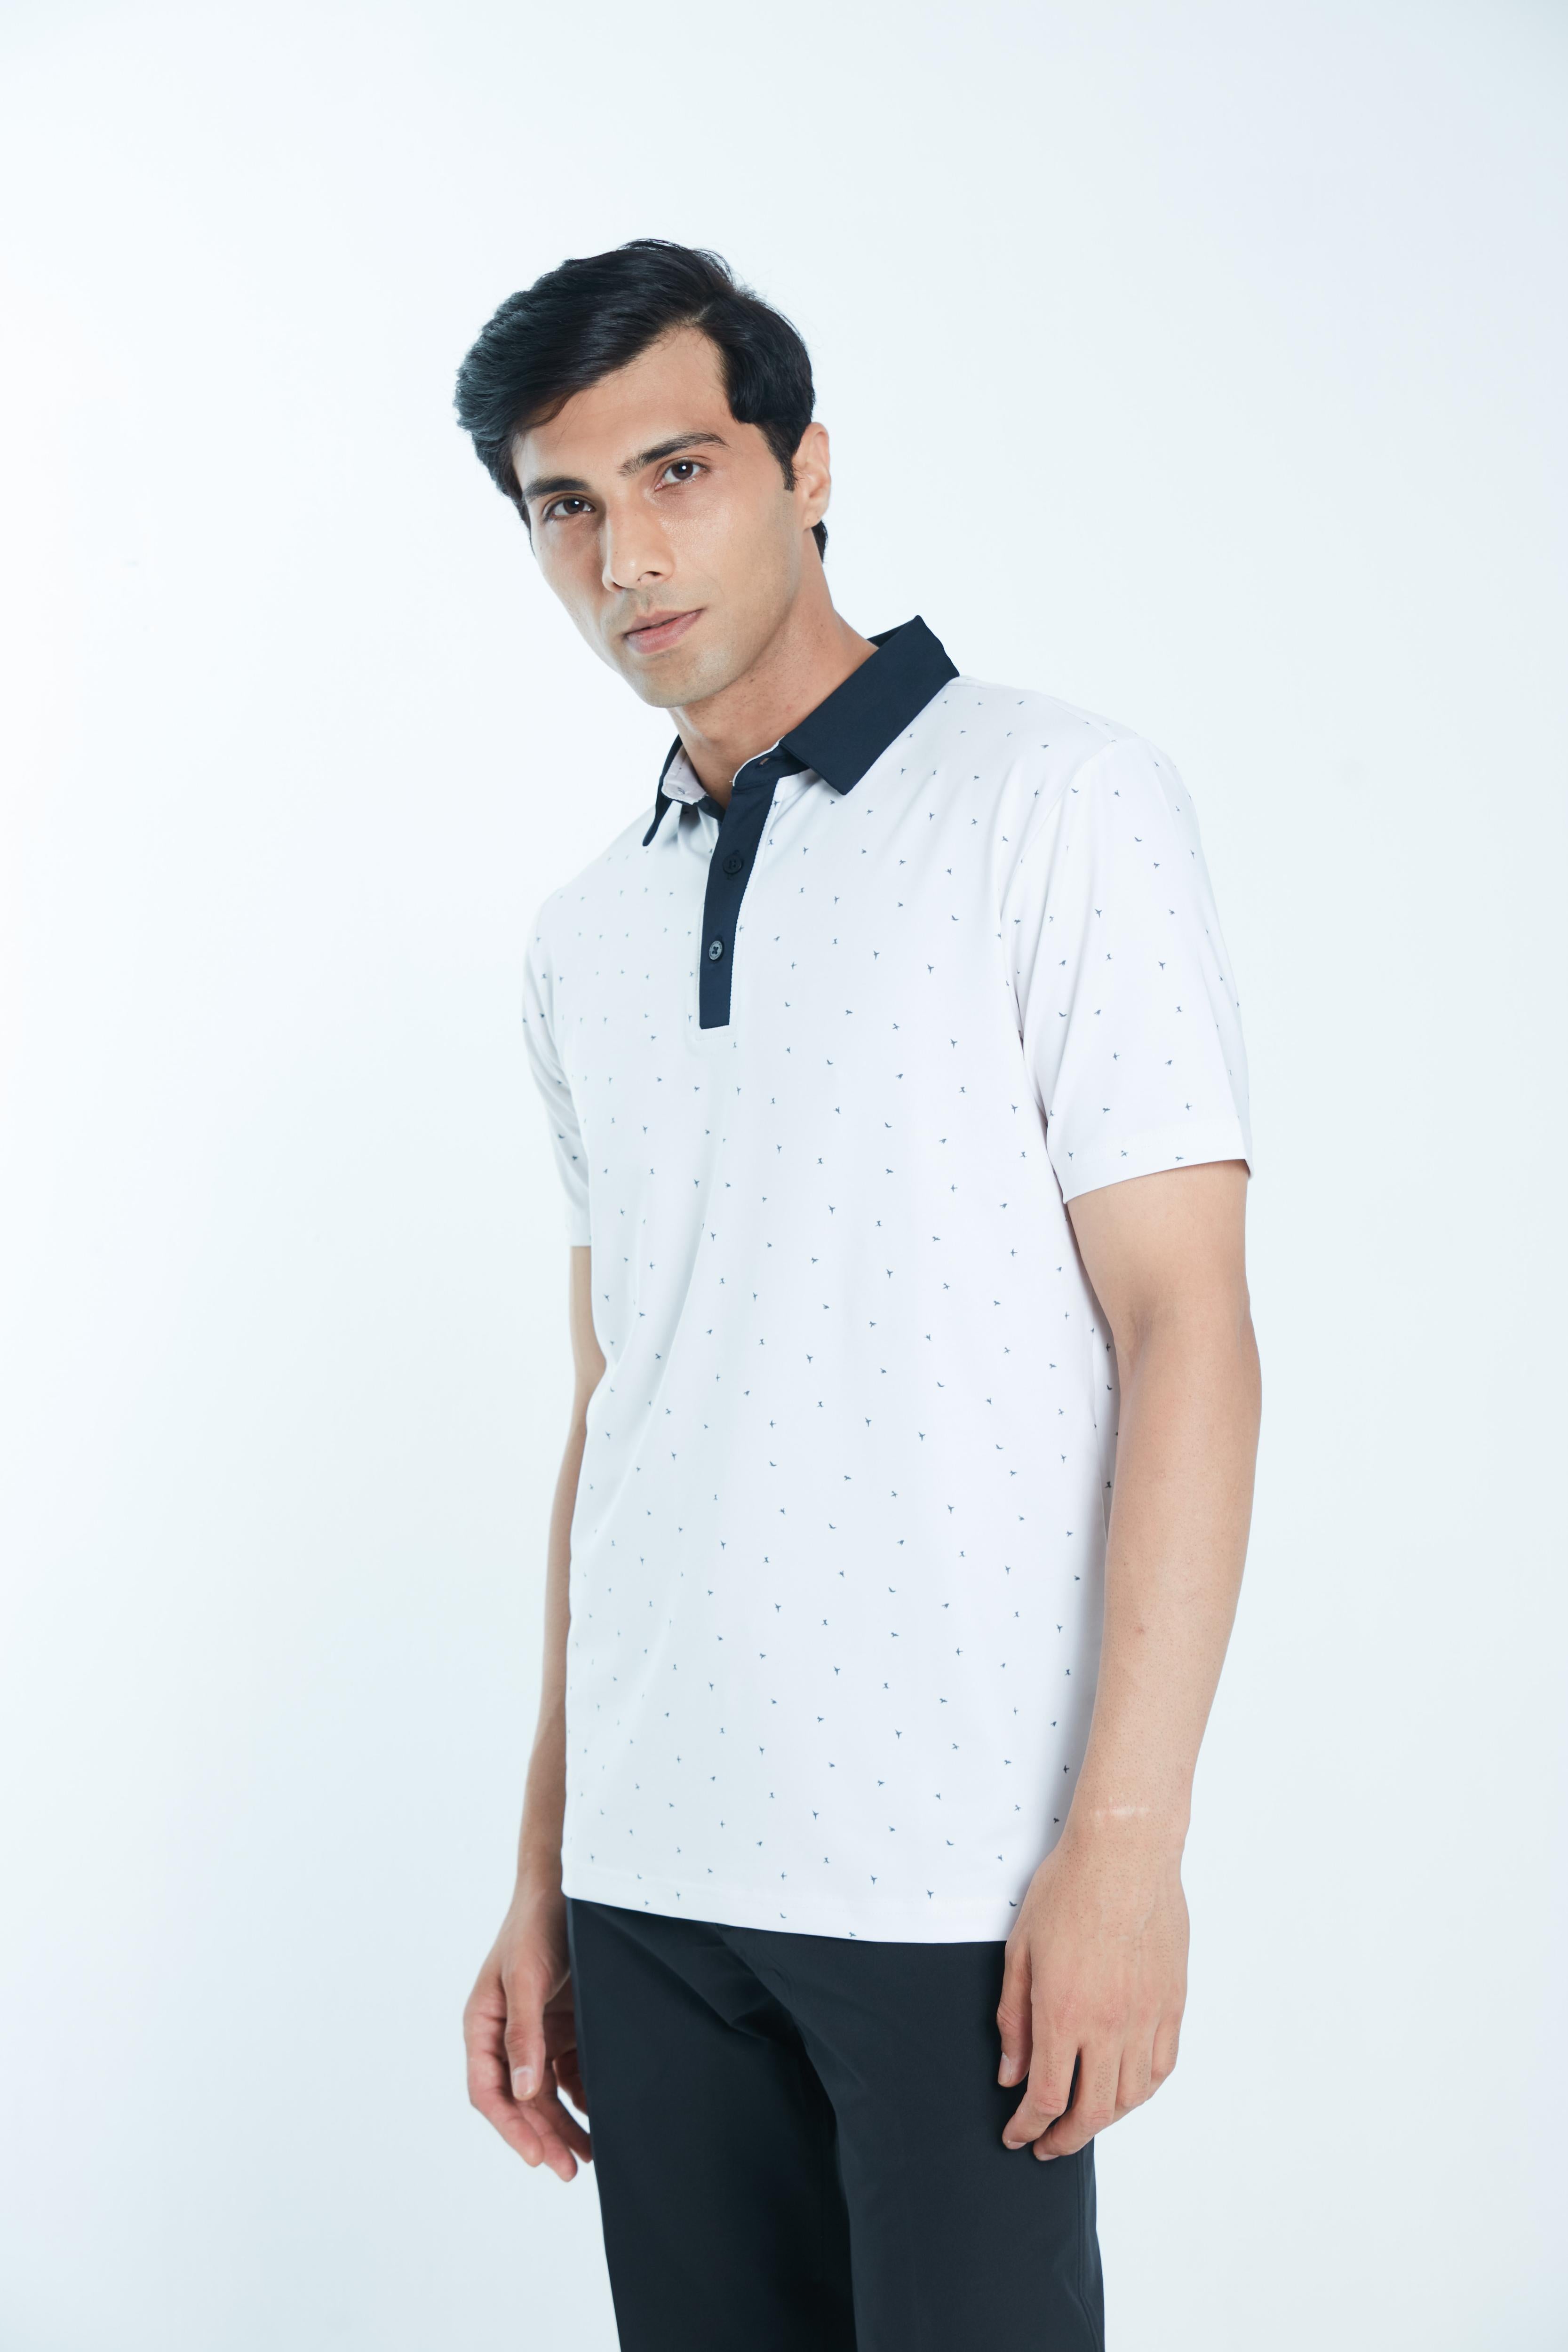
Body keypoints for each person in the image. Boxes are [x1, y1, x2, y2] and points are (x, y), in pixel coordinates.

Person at [453, 239, 1261, 2352]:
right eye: (564, 504)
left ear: (807, 469)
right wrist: (545, 1865)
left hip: (953, 1874)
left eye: (679, 471)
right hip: (653, 1875)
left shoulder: (1051, 800)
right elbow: (619, 1405)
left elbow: (1188, 1330)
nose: (627, 555)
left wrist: (1129, 1844)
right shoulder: (582, 935)